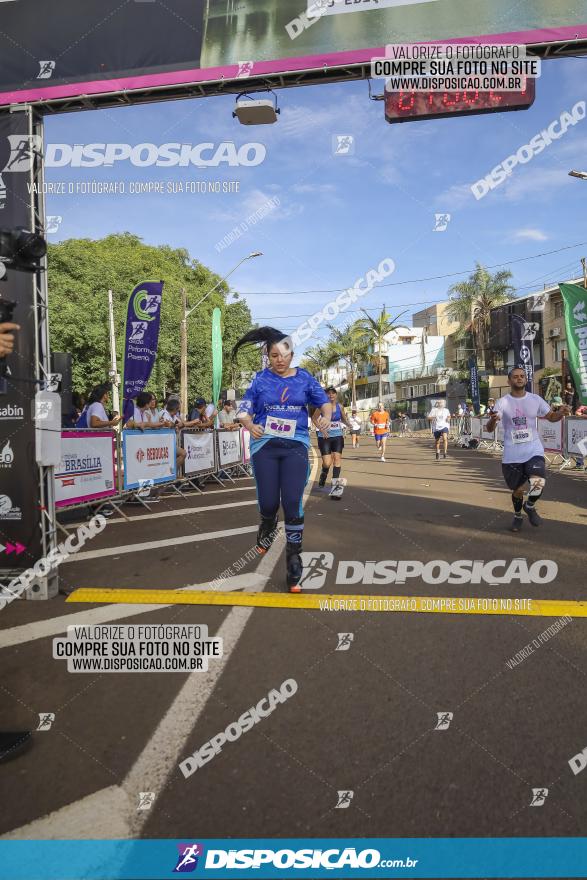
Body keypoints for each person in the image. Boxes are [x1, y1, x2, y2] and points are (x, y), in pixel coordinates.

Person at [233, 326, 333, 592]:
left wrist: (325, 415)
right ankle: (267, 522)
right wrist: (249, 425)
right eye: (274, 355)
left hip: (296, 446)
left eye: (284, 355)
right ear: (268, 356)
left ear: (292, 355)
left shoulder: (305, 379)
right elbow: (243, 410)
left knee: (291, 502)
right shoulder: (259, 379)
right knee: (268, 502)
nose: (280, 360)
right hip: (264, 446)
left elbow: (325, 403)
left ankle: (294, 560)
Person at [485, 367, 571, 532]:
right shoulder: (502, 402)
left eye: (522, 376)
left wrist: (560, 412)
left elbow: (551, 417)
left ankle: (529, 506)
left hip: (533, 449)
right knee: (518, 491)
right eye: (516, 376)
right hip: (512, 454)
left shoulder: (535, 399)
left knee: (538, 481)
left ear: (526, 380)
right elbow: (489, 428)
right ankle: (518, 515)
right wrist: (493, 421)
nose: (519, 378)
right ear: (509, 381)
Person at [314, 386, 351, 490]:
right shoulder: (321, 406)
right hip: (324, 437)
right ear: (325, 395)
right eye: (328, 393)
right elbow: (314, 418)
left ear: (336, 394)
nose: (331, 395)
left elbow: (343, 419)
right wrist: (321, 429)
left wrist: (349, 425)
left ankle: (335, 488)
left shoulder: (340, 406)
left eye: (333, 393)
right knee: (327, 462)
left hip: (337, 436)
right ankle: (323, 474)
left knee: (337, 460)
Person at [160, 397, 187, 470]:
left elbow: (182, 423)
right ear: (175, 409)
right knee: (183, 453)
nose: (179, 410)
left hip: (169, 443)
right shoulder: (163, 414)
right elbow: (170, 424)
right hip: (162, 444)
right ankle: (172, 473)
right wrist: (176, 426)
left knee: (182, 454)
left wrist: (181, 425)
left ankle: (172, 473)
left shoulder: (173, 416)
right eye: (178, 408)